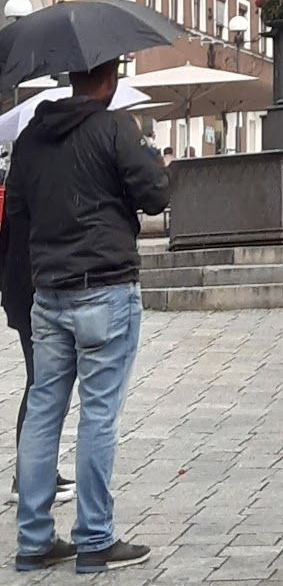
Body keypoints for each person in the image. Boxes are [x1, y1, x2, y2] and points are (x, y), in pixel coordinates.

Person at [7, 58, 171, 574]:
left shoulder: (31, 138)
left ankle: (34, 540)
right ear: (111, 78)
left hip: (49, 292)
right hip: (105, 286)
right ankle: (95, 538)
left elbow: (18, 212)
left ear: (70, 78)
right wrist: (145, 156)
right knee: (98, 415)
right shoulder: (114, 128)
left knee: (43, 412)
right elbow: (156, 196)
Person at [0, 209, 73, 509]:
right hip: (31, 288)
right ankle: (28, 478)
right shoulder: (32, 185)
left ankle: (38, 472)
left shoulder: (20, 184)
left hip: (22, 285)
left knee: (44, 382)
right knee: (42, 383)